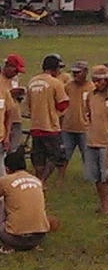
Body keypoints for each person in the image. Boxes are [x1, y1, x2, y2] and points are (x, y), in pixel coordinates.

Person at [27, 54, 69, 182]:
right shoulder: (56, 83)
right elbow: (63, 105)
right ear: (55, 69)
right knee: (55, 155)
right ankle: (42, 180)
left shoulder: (31, 81)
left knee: (38, 156)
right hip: (50, 126)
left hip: (35, 126)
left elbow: (28, 105)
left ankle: (39, 177)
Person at [0, 151, 53, 253]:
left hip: (13, 238)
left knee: (2, 201)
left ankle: (9, 244)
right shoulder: (37, 180)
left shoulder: (5, 180)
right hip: (39, 237)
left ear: (7, 169)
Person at [86, 65, 108, 215]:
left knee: (107, 177)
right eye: (94, 80)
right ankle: (104, 204)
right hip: (92, 140)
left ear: (107, 80)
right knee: (96, 176)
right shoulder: (91, 95)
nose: (96, 84)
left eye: (99, 81)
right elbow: (89, 113)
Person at [58, 60, 93, 182]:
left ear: (85, 72)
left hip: (85, 127)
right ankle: (60, 178)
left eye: (78, 72)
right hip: (68, 127)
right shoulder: (68, 87)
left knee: (87, 155)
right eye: (73, 72)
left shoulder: (92, 88)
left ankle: (90, 178)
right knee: (64, 155)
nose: (75, 75)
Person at [2, 54, 26, 170]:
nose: (16, 73)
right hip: (4, 119)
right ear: (7, 66)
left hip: (15, 118)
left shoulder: (14, 79)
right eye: (15, 70)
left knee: (13, 148)